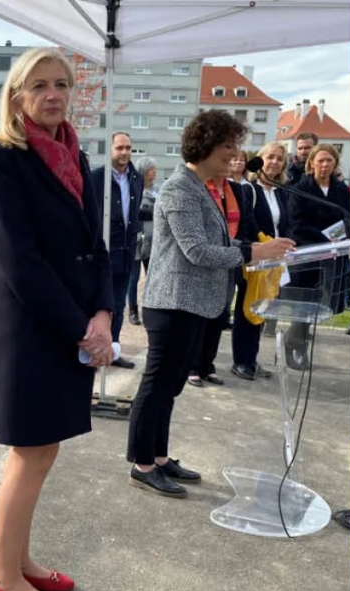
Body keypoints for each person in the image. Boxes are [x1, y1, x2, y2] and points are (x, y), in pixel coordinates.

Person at [0, 47, 115, 591]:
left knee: (43, 449)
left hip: (71, 327)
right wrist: (83, 329)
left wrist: (105, 312)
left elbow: (94, 242)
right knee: (28, 453)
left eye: (62, 84)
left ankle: (18, 557)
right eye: (40, 85)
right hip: (33, 331)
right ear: (17, 96)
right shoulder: (1, 162)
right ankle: (3, 577)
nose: (53, 94)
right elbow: (21, 263)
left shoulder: (73, 156)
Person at [127, 110, 294, 497]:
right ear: (205, 146)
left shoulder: (204, 187)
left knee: (170, 387)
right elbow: (198, 251)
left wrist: (261, 251)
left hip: (194, 303)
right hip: (172, 303)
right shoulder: (179, 189)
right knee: (157, 385)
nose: (236, 154)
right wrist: (253, 251)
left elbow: (216, 246)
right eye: (229, 146)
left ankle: (161, 457)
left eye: (237, 146)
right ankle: (142, 464)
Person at [188, 158, 258, 388]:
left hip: (231, 259)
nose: (230, 162)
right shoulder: (199, 188)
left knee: (220, 314)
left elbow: (246, 222)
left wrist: (243, 247)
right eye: (226, 157)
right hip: (205, 259)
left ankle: (208, 364)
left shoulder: (237, 189)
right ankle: (193, 366)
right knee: (201, 314)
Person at [285, 143, 350, 369]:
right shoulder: (300, 188)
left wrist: (339, 236)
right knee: (304, 302)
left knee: (321, 303)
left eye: (329, 161)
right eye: (320, 161)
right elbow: (297, 223)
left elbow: (347, 217)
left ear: (335, 164)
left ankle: (299, 341)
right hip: (308, 253)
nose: (324, 165)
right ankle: (293, 343)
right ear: (311, 163)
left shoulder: (341, 190)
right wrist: (324, 239)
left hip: (334, 255)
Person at [231, 142, 291, 380]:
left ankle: (252, 359)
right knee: (247, 308)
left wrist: (286, 243)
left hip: (276, 259)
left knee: (263, 308)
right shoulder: (249, 190)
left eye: (279, 158)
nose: (274, 162)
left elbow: (286, 223)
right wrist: (265, 243)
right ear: (260, 160)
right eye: (270, 157)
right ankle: (241, 361)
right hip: (256, 256)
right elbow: (248, 221)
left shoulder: (282, 192)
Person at [92, 132, 142, 368]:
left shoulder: (136, 178)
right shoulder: (97, 178)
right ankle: (94, 351)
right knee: (97, 306)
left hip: (125, 253)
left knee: (118, 306)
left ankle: (113, 350)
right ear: (110, 149)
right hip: (102, 253)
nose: (124, 152)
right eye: (120, 148)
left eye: (128, 148)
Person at [129, 157, 158, 326]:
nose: (154, 172)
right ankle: (133, 310)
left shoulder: (158, 190)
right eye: (151, 169)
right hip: (136, 239)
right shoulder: (134, 188)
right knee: (133, 278)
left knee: (152, 276)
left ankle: (150, 308)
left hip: (152, 239)